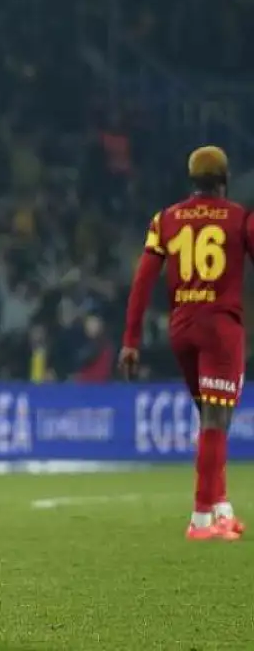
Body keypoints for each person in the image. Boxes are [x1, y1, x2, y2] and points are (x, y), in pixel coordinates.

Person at [120, 145, 250, 541]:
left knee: (211, 418)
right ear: (224, 180)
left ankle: (221, 508)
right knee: (216, 419)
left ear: (192, 180)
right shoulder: (240, 218)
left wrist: (131, 340)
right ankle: (201, 519)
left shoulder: (166, 219)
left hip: (182, 329)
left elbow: (143, 281)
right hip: (220, 328)